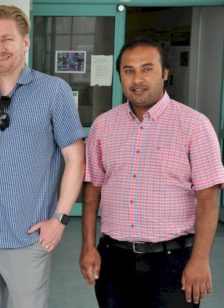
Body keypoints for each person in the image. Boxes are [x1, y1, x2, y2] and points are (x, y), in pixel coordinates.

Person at [0, 5, 85, 308]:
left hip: (26, 236)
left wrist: (59, 219)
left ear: (25, 42)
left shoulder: (53, 92)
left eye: (7, 39)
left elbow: (76, 158)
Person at [80, 37, 224, 308]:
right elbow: (93, 190)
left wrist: (200, 259)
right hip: (114, 259)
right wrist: (88, 246)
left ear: (165, 73)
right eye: (128, 70)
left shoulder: (194, 125)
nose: (137, 79)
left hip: (173, 262)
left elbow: (208, 199)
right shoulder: (103, 126)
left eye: (147, 69)